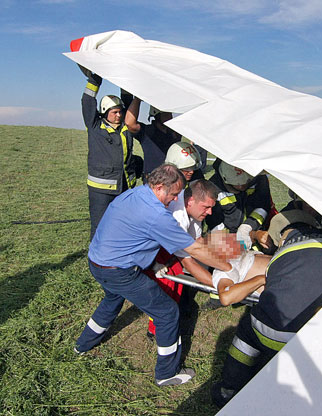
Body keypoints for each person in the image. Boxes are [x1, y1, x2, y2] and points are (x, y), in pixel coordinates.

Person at [74, 164, 240, 387]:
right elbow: (195, 251)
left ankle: (82, 345)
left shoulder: (136, 194)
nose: (174, 199)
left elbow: (128, 232)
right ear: (160, 187)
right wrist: (229, 270)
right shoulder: (157, 215)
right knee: (167, 312)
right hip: (118, 270)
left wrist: (152, 261)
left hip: (97, 261)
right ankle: (166, 373)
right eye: (173, 194)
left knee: (112, 300)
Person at [211, 214, 322, 407]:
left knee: (247, 332)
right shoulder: (225, 269)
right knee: (247, 333)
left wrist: (254, 235)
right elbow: (226, 296)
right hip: (307, 332)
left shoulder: (252, 252)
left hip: (283, 325)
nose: (229, 241)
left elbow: (245, 234)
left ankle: (228, 388)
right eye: (222, 243)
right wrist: (260, 280)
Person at [145, 178, 220, 337]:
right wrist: (217, 283)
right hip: (151, 254)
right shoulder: (177, 217)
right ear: (191, 201)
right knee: (165, 287)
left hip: (169, 252)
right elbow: (188, 258)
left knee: (176, 282)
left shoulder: (194, 213)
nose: (210, 212)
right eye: (206, 207)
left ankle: (175, 312)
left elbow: (196, 242)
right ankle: (156, 330)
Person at [81, 71, 141, 240]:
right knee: (100, 226)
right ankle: (97, 260)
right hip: (101, 190)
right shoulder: (95, 126)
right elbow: (87, 101)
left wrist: (124, 76)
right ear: (104, 112)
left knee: (122, 224)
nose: (119, 115)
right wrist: (94, 80)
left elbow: (128, 102)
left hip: (124, 187)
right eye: (114, 112)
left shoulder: (125, 128)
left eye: (120, 112)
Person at [125, 98, 181, 176]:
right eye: (166, 114)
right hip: (153, 179)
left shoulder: (174, 132)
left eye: (170, 113)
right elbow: (130, 123)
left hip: (172, 177)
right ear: (156, 115)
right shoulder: (147, 131)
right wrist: (137, 100)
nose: (170, 116)